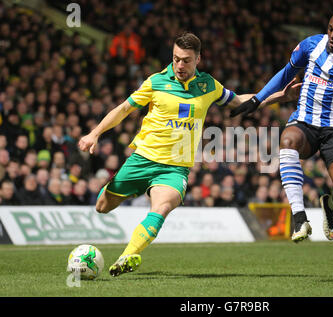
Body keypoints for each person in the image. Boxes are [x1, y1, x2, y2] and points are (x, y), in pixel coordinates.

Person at [78, 32, 299, 277]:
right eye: (176, 59)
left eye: (185, 60)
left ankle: (128, 255)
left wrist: (278, 97)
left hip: (174, 168)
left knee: (161, 208)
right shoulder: (156, 82)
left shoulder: (208, 85)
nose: (180, 65)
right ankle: (122, 215)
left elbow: (240, 102)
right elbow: (123, 110)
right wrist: (94, 133)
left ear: (198, 59)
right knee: (102, 206)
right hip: (142, 160)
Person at [231, 11, 333, 242]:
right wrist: (258, 99)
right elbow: (285, 73)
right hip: (305, 121)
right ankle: (299, 218)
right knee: (288, 141)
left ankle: (330, 204)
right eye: (330, 29)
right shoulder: (310, 45)